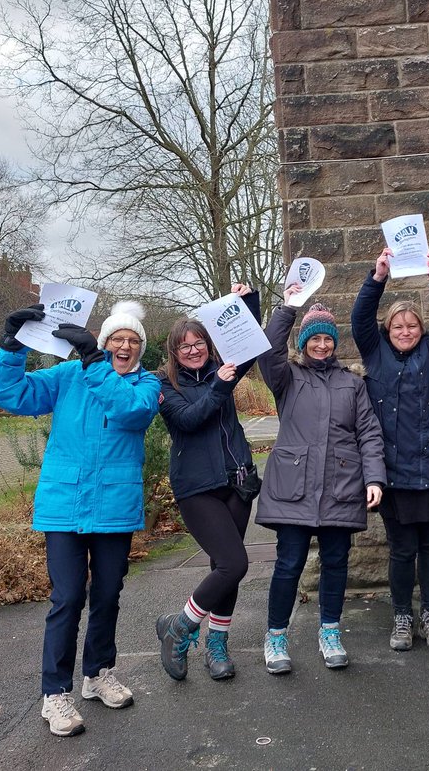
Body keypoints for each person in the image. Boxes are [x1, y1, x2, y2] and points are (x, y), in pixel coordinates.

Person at [0, 300, 161, 737]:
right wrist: (12, 346)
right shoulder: (67, 377)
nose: (125, 346)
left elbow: (129, 413)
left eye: (133, 340)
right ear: (104, 341)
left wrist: (93, 362)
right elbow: (12, 394)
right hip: (64, 506)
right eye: (116, 339)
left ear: (139, 349)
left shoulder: (146, 384)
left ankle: (98, 674)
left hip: (115, 509)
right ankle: (55, 693)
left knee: (107, 595)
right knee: (66, 598)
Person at [257, 292, 387, 674]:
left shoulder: (352, 383)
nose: (321, 344)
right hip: (293, 487)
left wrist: (375, 477)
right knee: (289, 564)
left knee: (336, 562)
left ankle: (330, 631)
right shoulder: (286, 377)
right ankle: (276, 636)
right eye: (314, 338)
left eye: (328, 338)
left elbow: (369, 433)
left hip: (341, 485)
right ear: (303, 341)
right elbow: (268, 351)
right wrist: (288, 308)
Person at [351, 248, 429, 651]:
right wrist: (377, 276)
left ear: (420, 329)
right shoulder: (374, 354)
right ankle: (402, 616)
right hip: (394, 473)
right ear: (388, 329)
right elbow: (359, 318)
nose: (405, 330)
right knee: (402, 550)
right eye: (397, 325)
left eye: (412, 324)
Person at [154, 284, 261, 683]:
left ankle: (217, 645)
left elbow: (249, 342)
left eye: (200, 342)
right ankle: (181, 627)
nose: (194, 350)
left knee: (225, 568)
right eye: (186, 347)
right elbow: (189, 419)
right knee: (236, 563)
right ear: (174, 352)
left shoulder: (226, 367)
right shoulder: (164, 385)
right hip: (197, 489)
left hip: (236, 483)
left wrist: (247, 302)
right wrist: (220, 383)